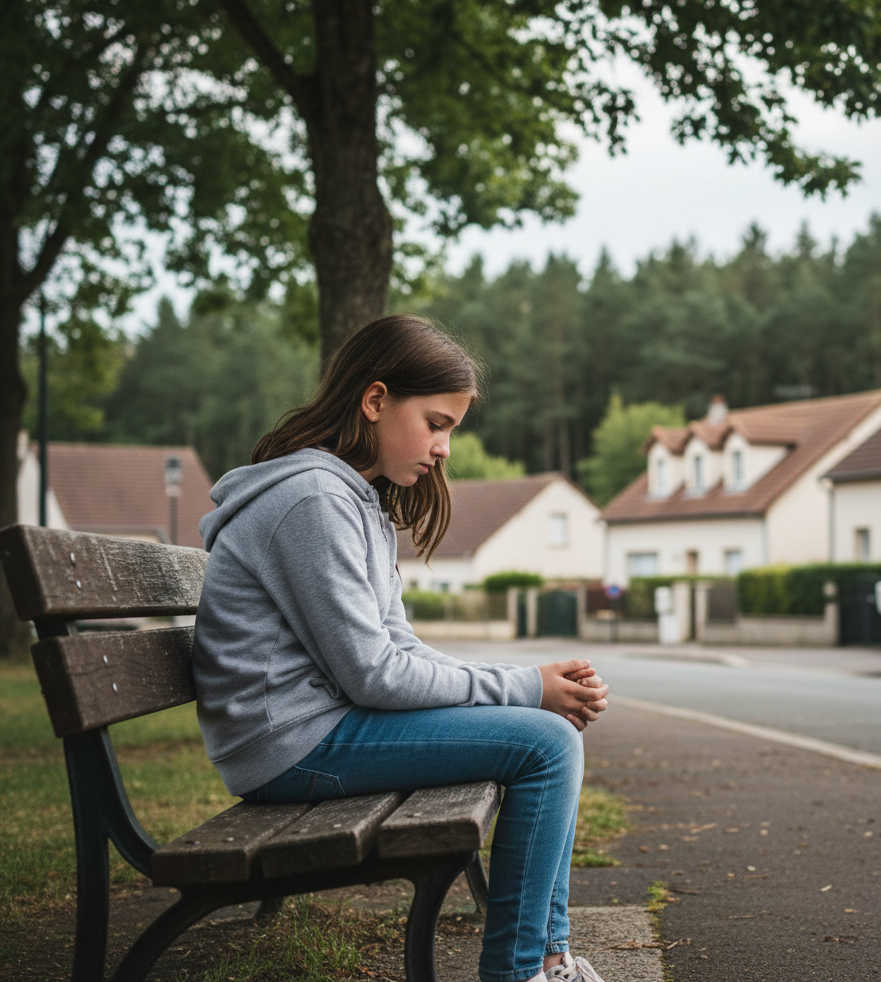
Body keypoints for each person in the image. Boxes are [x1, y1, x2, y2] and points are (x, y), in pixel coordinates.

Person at [192, 314, 611, 982]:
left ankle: (550, 958)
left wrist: (528, 686)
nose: (445, 447)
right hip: (288, 747)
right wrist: (527, 686)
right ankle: (520, 970)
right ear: (376, 400)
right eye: (437, 423)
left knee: (548, 730)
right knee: (547, 743)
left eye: (452, 429)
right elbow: (374, 676)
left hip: (313, 730)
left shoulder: (354, 502)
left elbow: (399, 650)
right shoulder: (313, 502)